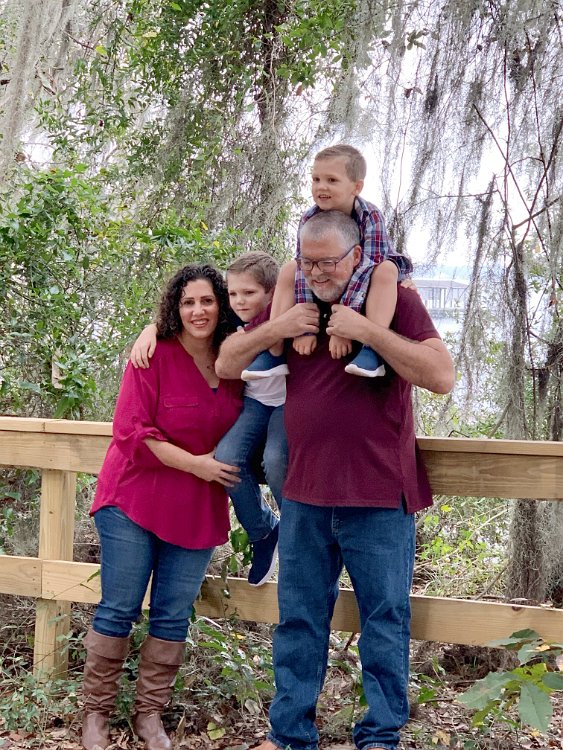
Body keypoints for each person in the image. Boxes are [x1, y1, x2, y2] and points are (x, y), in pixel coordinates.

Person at [215, 211, 454, 750]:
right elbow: (228, 363)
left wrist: (367, 331)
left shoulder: (395, 301)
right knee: (298, 620)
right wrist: (278, 328)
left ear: (357, 257)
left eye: (329, 262)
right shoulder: (294, 303)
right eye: (308, 262)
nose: (318, 273)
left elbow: (441, 376)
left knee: (384, 619)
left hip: (379, 494)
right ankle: (289, 734)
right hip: (303, 495)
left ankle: (380, 736)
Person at [81, 264, 243, 750]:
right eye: (188, 302)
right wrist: (197, 465)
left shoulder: (235, 360)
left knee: (172, 616)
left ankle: (149, 716)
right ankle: (96, 715)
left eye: (207, 301)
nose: (198, 311)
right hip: (134, 497)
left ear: (222, 305)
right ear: (175, 307)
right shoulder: (151, 354)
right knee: (119, 608)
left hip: (197, 506)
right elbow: (131, 432)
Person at [129, 252, 287, 587]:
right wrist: (151, 328)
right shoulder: (231, 326)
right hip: (255, 403)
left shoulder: (280, 314)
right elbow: (190, 319)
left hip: (287, 406)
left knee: (275, 460)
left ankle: (298, 533)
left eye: (248, 293)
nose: (240, 300)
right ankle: (263, 531)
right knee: (227, 458)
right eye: (234, 294)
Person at [241, 144, 413, 381]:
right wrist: (305, 329)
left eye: (331, 180)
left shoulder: (370, 216)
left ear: (356, 187)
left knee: (386, 271)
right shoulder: (309, 217)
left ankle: (372, 349)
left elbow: (366, 267)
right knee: (290, 268)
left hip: (371, 268)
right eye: (316, 179)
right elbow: (304, 267)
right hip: (331, 270)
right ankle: (273, 352)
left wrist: (342, 328)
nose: (321, 187)